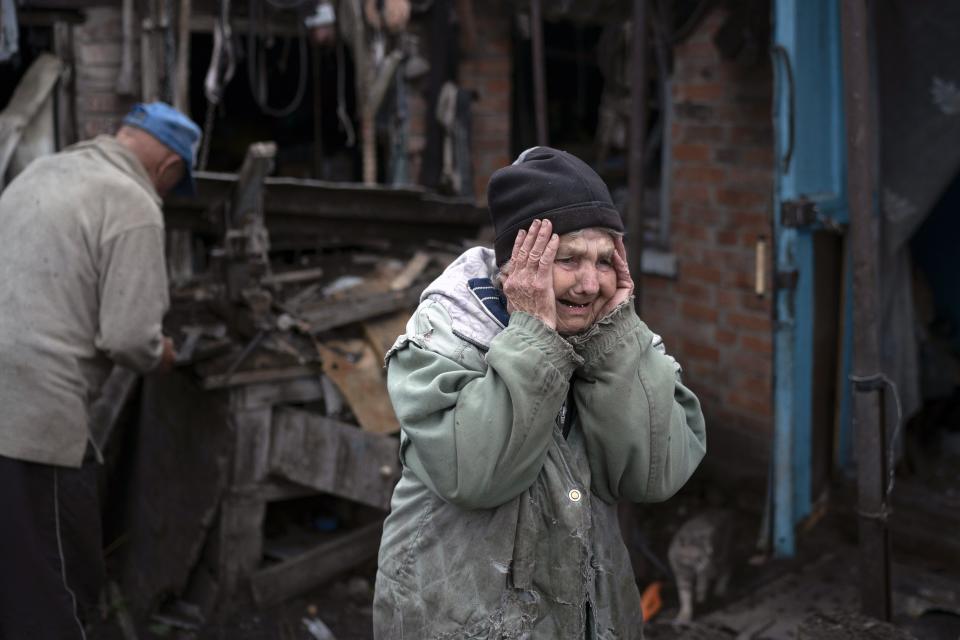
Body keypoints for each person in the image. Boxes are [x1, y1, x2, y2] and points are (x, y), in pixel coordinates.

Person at [373, 146, 707, 639]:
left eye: (603, 260)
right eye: (568, 259)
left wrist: (616, 342)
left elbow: (655, 477)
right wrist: (535, 333)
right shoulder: (444, 336)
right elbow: (478, 475)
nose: (590, 283)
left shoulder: (618, 337)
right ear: (517, 267)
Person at [0, 101, 201, 639]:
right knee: (55, 592)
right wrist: (162, 353)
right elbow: (129, 338)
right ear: (170, 169)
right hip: (31, 421)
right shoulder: (133, 202)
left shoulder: (40, 172)